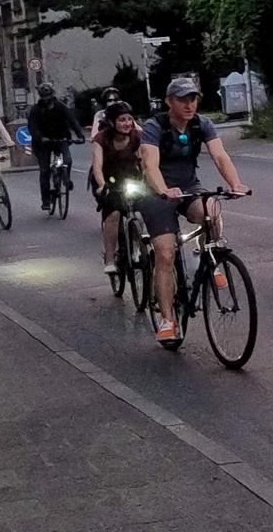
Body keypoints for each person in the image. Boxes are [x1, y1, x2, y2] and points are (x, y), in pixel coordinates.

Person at [139, 78, 250, 343]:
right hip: (156, 193)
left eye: (193, 99)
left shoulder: (202, 124)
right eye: (182, 100)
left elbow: (220, 156)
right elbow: (150, 165)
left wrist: (235, 184)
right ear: (169, 102)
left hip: (188, 186)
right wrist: (164, 190)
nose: (189, 105)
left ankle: (208, 258)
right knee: (165, 253)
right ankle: (168, 320)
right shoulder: (154, 127)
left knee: (211, 210)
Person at [91, 102, 141, 275]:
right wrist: (102, 185)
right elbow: (97, 166)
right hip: (107, 180)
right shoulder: (101, 139)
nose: (127, 123)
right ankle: (110, 258)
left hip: (129, 178)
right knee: (114, 214)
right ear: (112, 122)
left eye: (129, 119)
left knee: (145, 210)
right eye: (122, 120)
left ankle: (139, 246)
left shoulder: (137, 137)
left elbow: (144, 161)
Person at [26, 82, 85, 210]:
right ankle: (46, 200)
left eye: (49, 96)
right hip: (43, 143)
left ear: (53, 95)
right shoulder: (36, 110)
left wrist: (80, 135)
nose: (47, 99)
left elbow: (72, 121)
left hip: (60, 139)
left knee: (67, 160)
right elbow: (32, 127)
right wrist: (40, 137)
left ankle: (65, 178)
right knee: (45, 170)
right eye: (44, 97)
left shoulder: (61, 107)